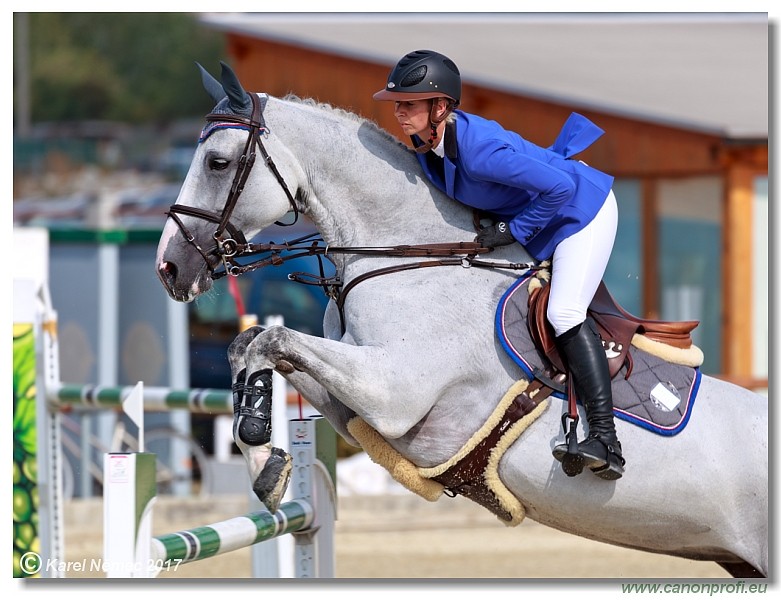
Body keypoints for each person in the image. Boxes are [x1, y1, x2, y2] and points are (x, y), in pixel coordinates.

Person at [373, 49, 625, 480]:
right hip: (550, 211)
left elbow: (561, 188)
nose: (398, 111)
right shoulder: (432, 144)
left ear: (440, 107)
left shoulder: (478, 150)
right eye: (397, 103)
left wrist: (512, 232)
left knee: (563, 313)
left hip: (583, 210)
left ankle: (606, 438)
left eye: (409, 104)